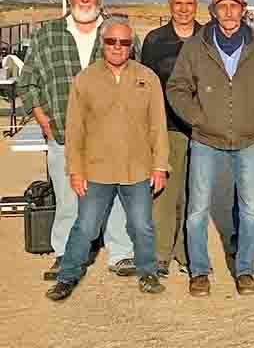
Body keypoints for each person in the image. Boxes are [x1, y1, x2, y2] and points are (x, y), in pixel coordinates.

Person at [166, 0, 254, 297]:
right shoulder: (196, 45)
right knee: (197, 209)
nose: (229, 12)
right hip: (205, 139)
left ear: (243, 10)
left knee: (249, 210)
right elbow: (177, 87)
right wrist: (197, 118)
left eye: (235, 5)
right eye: (223, 6)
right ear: (214, 10)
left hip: (246, 139)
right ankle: (199, 271)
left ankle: (244, 269)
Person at [18, 0, 137, 280]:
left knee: (114, 196)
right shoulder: (48, 34)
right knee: (68, 199)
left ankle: (121, 253)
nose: (85, 0)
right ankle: (65, 255)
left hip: (110, 133)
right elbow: (28, 80)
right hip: (63, 131)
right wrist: (41, 118)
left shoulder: (116, 32)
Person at [44, 16, 170, 301]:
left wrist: (159, 165)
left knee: (141, 225)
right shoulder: (85, 79)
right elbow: (75, 130)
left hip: (137, 167)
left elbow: (157, 126)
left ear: (131, 46)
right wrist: (75, 170)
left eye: (124, 42)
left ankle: (148, 272)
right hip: (96, 169)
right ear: (103, 44)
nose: (117, 47)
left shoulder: (147, 78)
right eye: (112, 41)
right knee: (86, 226)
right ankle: (67, 276)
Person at [138, 0, 202, 277]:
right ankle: (162, 252)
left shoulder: (208, 36)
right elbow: (145, 86)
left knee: (196, 193)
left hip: (203, 129)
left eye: (189, 3)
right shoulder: (155, 40)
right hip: (168, 126)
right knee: (165, 191)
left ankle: (189, 252)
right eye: (178, 3)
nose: (184, 9)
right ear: (170, 4)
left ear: (196, 5)